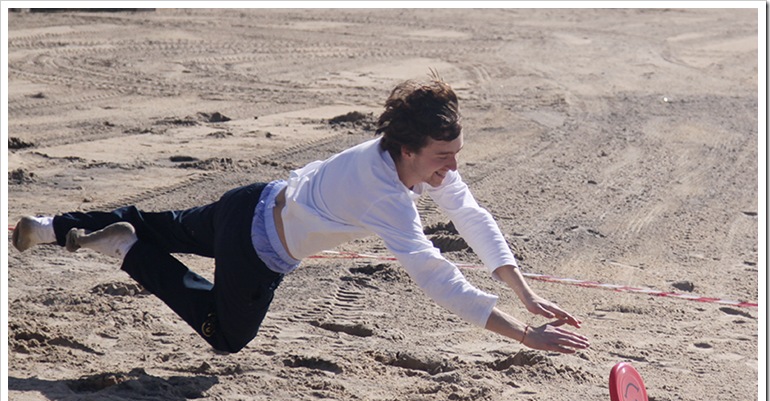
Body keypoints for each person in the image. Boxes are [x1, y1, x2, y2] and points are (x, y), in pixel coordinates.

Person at [12, 75, 589, 356]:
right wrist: (521, 335)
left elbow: (470, 212)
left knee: (155, 219)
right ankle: (123, 250)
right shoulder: (386, 195)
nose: (453, 166)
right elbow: (437, 276)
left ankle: (48, 227)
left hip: (248, 200)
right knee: (226, 336)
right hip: (256, 251)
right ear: (411, 149)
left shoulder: (396, 155)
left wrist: (525, 293)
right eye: (444, 157)